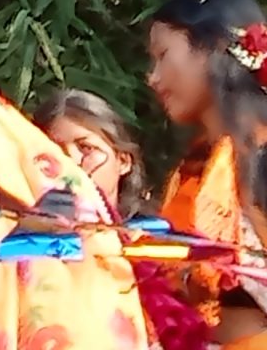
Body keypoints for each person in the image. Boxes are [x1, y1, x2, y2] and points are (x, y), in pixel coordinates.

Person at [44, 87, 211, 350]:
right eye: (55, 151)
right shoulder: (27, 245)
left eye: (85, 147)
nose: (71, 162)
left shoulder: (160, 246)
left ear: (123, 161)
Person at [148, 0, 267, 343]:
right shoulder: (197, 168)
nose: (152, 78)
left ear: (214, 47)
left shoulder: (261, 156)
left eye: (163, 55)